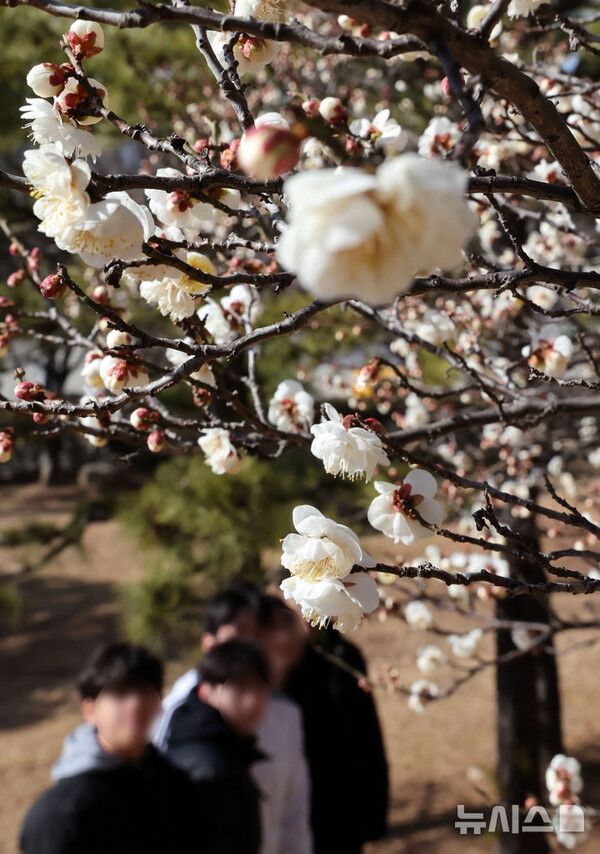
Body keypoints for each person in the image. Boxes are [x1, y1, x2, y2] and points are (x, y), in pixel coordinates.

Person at [154, 588, 313, 854]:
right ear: (209, 643)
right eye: (239, 632)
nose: (249, 644)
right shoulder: (180, 710)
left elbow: (295, 809)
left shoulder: (285, 711)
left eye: (256, 633)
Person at [20, 643, 194, 854]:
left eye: (145, 692)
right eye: (120, 693)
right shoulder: (60, 814)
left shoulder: (173, 784)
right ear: (90, 710)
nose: (135, 704)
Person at [286, 625, 389, 854]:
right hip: (297, 803)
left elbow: (369, 736)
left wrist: (375, 810)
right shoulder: (279, 662)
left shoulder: (346, 654)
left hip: (345, 799)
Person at [161, 639, 271, 854]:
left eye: (260, 688)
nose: (252, 700)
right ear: (205, 690)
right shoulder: (210, 766)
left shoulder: (223, 749)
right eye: (240, 688)